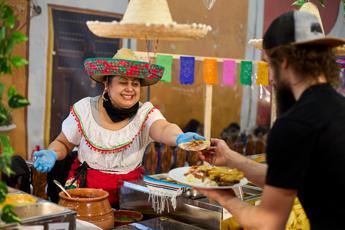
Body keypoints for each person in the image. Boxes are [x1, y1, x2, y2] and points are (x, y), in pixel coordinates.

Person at [198, 10, 345, 229]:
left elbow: (268, 223)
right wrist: (232, 159)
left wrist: (222, 196)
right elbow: (291, 175)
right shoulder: (338, 107)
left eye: (269, 65)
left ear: (284, 61)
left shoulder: (294, 125)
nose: (272, 78)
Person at [33, 48, 204, 206]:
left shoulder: (145, 113)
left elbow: (163, 128)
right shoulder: (84, 109)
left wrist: (179, 137)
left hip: (128, 196)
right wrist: (53, 153)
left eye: (135, 84)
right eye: (123, 82)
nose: (130, 89)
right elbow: (63, 143)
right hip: (83, 193)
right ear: (107, 85)